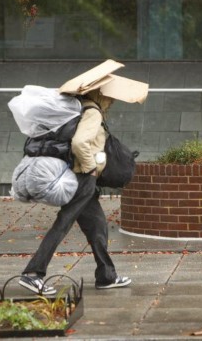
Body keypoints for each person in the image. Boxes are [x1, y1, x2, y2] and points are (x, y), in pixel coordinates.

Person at [19, 89, 131, 295]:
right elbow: (79, 143)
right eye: (110, 98)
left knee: (97, 226)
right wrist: (90, 167)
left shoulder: (79, 107)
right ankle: (33, 273)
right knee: (63, 223)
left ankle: (106, 276)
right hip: (83, 178)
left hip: (81, 178)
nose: (112, 102)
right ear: (100, 95)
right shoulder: (92, 112)